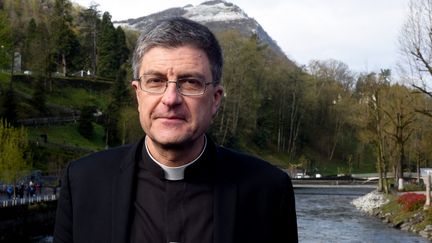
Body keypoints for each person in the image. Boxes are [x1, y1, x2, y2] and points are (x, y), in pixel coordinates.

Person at [54, 17, 297, 243]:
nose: (171, 99)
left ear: (215, 99)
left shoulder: (269, 190)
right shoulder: (83, 182)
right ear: (138, 94)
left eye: (190, 82)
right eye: (155, 81)